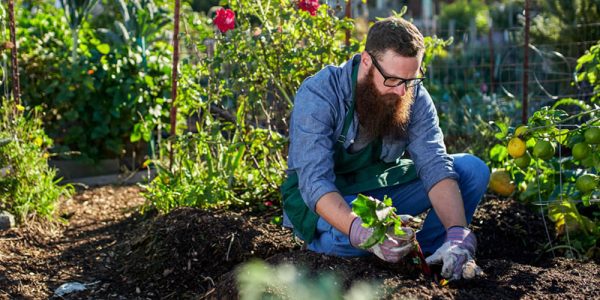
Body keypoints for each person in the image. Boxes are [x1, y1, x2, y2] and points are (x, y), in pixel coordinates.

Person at [281, 16, 490, 281]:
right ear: (367, 61)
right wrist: (360, 230)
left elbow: (434, 163)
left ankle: (432, 256)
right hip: (327, 198)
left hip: (378, 190)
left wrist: (458, 234)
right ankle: (335, 246)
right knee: (347, 241)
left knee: (471, 170)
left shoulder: (412, 94)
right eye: (392, 80)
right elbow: (314, 182)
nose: (403, 92)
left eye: (411, 80)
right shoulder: (320, 94)